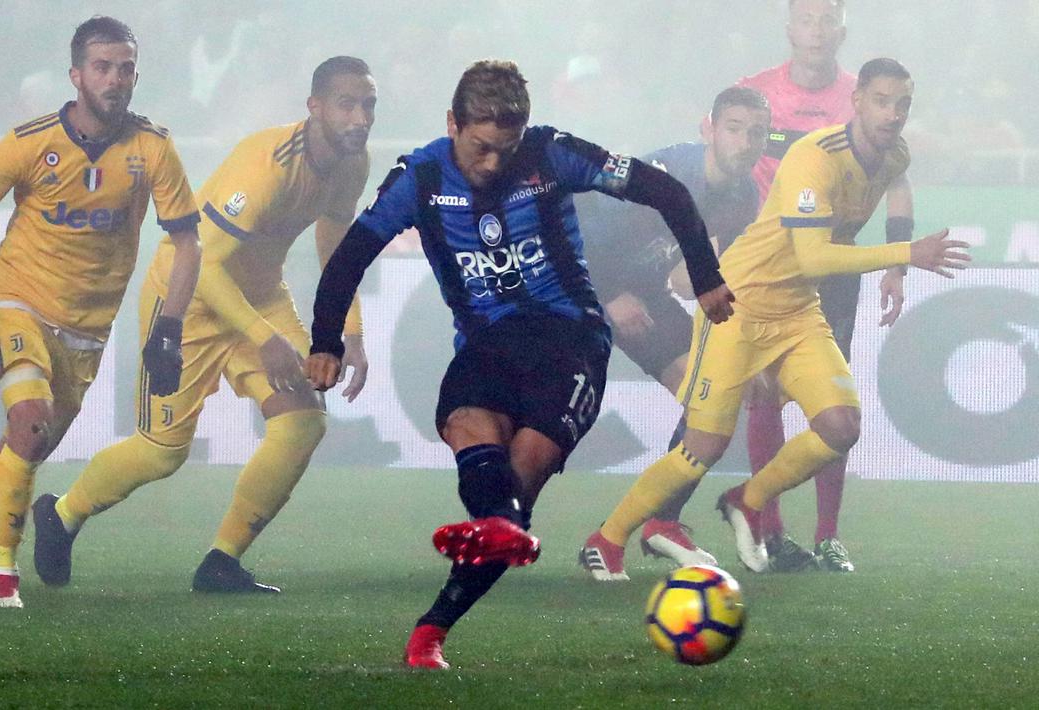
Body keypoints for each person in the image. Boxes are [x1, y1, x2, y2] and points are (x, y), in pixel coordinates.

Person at [306, 60, 733, 669]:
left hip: (570, 338)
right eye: (479, 148)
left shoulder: (552, 153)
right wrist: (326, 340)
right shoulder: (420, 176)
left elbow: (664, 190)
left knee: (523, 467)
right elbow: (351, 254)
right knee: (467, 430)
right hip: (486, 344)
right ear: (451, 124)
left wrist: (706, 274)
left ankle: (437, 621)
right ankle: (488, 548)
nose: (490, 164)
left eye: (503, 150)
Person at [581, 58, 969, 579]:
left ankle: (747, 500)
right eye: (881, 100)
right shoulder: (815, 158)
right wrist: (904, 251)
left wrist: (897, 267)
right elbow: (813, 258)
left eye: (903, 104)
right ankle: (607, 539)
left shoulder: (893, 153)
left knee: (840, 425)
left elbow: (887, 192)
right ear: (855, 101)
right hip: (740, 310)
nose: (893, 113)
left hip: (797, 312)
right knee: (704, 445)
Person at [31, 56, 375, 594]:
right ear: (315, 108)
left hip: (258, 296)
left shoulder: (353, 164)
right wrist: (267, 339)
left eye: (368, 105)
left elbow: (335, 243)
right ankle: (63, 513)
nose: (360, 117)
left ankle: (221, 561)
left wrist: (348, 328)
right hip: (187, 299)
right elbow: (206, 265)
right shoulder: (268, 165)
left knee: (304, 421)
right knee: (162, 451)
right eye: (346, 104)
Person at [0, 16, 201, 608]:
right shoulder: (29, 142)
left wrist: (169, 331)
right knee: (29, 420)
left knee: (18, 458)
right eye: (102, 67)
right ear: (76, 74)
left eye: (125, 68)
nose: (115, 79)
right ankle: (1, 579)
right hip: (16, 300)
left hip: (86, 332)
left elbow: (188, 242)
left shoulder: (152, 147)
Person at [733, 0, 918, 572]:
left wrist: (896, 265)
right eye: (806, 17)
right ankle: (769, 530)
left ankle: (828, 533)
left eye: (826, 18)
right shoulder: (755, 92)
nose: (815, 28)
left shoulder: (866, 99)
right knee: (763, 394)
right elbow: (725, 159)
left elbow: (897, 180)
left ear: (842, 31)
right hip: (770, 267)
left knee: (830, 401)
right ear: (790, 28)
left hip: (832, 266)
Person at [576, 86, 768, 574]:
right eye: (734, 128)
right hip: (575, 287)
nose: (745, 141)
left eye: (757, 132)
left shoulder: (743, 195)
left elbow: (709, 269)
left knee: (709, 399)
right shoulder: (667, 176)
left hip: (643, 294)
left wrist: (750, 347)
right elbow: (577, 223)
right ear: (708, 128)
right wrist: (606, 295)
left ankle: (659, 524)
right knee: (537, 418)